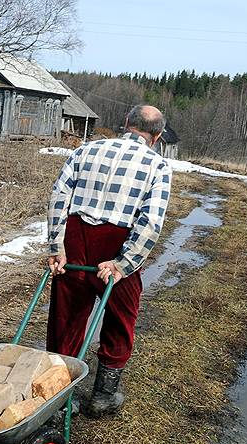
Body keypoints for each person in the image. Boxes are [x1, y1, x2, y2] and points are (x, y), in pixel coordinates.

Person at [46, 104, 172, 417]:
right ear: (156, 137)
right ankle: (103, 396)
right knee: (119, 318)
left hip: (76, 240)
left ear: (126, 123)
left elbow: (58, 198)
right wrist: (123, 264)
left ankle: (61, 398)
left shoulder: (85, 150)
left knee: (68, 316)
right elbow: (151, 222)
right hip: (117, 244)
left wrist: (56, 247)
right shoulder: (158, 166)